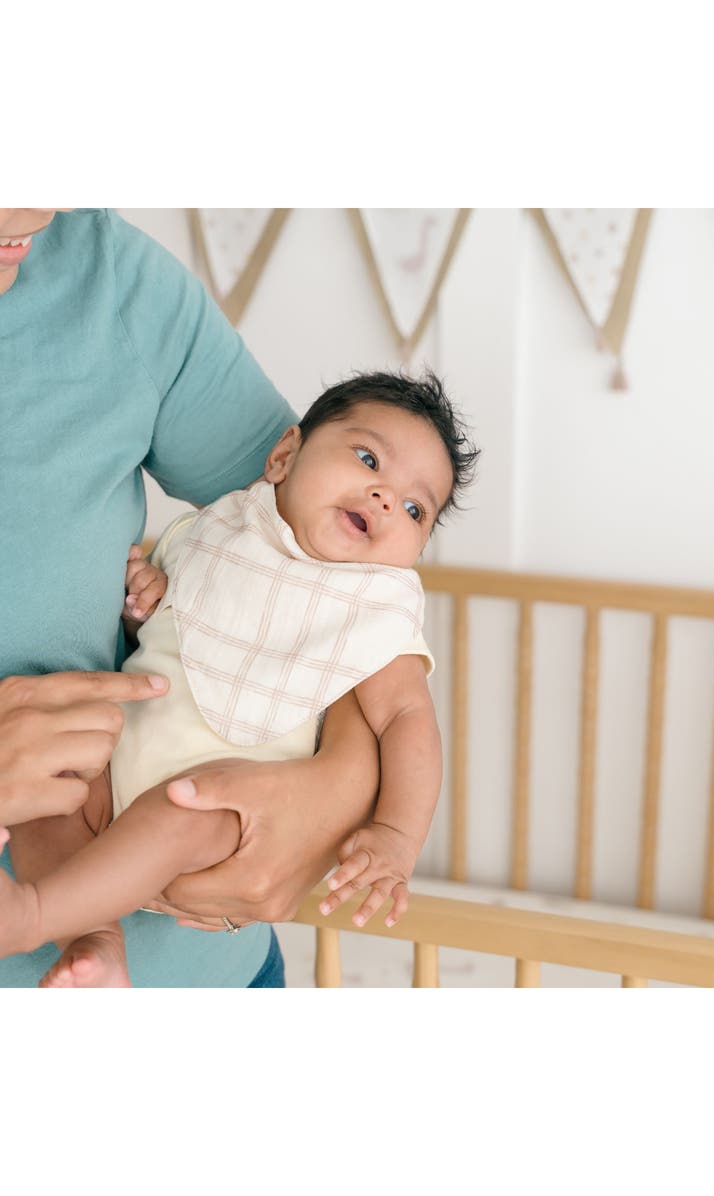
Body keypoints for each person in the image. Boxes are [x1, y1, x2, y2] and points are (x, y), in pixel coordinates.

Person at [0, 207, 382, 987]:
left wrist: (337, 786)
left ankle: (91, 937)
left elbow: (327, 562)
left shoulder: (109, 280)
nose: (46, 205)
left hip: (205, 973)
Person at [0, 373, 479, 986]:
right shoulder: (225, 531)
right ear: (283, 456)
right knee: (53, 788)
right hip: (114, 768)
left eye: (416, 508)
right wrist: (149, 596)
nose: (387, 498)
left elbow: (408, 722)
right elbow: (185, 617)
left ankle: (33, 915)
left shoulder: (372, 608)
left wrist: (394, 836)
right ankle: (94, 940)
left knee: (178, 813)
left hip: (223, 805)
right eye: (368, 459)